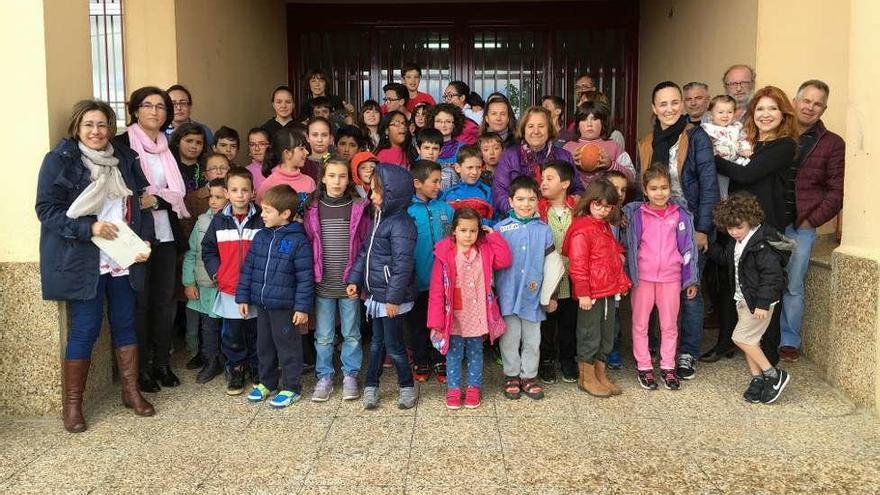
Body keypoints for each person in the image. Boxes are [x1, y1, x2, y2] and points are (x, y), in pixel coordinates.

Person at [36, 99, 155, 432]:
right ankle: (72, 406)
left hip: (122, 256)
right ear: (77, 127)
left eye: (102, 125)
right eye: (89, 125)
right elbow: (46, 210)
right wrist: (88, 228)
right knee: (85, 328)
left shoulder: (124, 159)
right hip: (83, 259)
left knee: (125, 322)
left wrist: (143, 242)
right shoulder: (59, 161)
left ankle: (131, 392)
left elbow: (139, 204)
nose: (96, 131)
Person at [637, 81, 718, 380]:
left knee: (689, 291)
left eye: (674, 103)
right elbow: (640, 186)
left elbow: (709, 185)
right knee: (659, 292)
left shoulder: (697, 137)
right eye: (663, 104)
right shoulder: (647, 143)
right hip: (656, 227)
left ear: (682, 106)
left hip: (689, 225)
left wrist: (703, 228)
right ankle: (660, 349)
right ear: (654, 108)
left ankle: (687, 352)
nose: (669, 109)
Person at [714, 86, 800, 366]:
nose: (765, 114)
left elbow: (746, 173)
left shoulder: (784, 145)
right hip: (740, 226)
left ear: (783, 114)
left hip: (765, 229)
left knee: (765, 293)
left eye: (772, 109)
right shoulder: (748, 142)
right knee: (738, 288)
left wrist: (714, 158)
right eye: (760, 109)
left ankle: (769, 362)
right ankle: (733, 345)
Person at [113, 86, 190, 393]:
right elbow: (124, 190)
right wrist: (157, 199)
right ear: (134, 110)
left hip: (166, 233)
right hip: (135, 235)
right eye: (148, 105)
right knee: (139, 303)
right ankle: (141, 369)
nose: (155, 111)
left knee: (164, 302)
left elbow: (174, 194)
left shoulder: (165, 146)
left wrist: (157, 200)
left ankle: (162, 363)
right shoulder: (121, 145)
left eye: (161, 106)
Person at [778, 79, 845, 362]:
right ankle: (759, 336)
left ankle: (788, 340)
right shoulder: (777, 133)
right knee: (761, 280)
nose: (810, 107)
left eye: (817, 104)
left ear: (824, 108)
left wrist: (811, 221)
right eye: (806, 100)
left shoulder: (832, 143)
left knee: (793, 284)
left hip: (800, 226)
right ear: (795, 101)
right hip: (770, 220)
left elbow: (837, 191)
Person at [708, 192, 793, 403]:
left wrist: (763, 303)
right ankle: (757, 380)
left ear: (751, 221)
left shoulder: (761, 244)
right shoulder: (737, 242)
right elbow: (728, 259)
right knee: (751, 341)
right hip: (744, 298)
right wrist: (708, 248)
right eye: (730, 228)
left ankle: (773, 375)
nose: (734, 232)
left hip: (758, 302)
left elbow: (772, 276)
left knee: (740, 338)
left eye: (739, 227)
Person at [346, 164, 419, 410]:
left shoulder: (401, 223)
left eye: (377, 190)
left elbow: (403, 264)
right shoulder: (378, 218)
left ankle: (407, 385)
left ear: (393, 193)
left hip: (389, 298)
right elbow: (365, 253)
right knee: (377, 343)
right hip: (376, 295)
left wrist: (393, 299)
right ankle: (371, 386)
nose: (371, 195)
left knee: (395, 346)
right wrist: (355, 279)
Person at [622, 164, 699, 391]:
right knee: (640, 323)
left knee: (669, 325)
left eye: (664, 187)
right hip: (643, 278)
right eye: (654, 188)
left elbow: (688, 249)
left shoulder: (680, 215)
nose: (659, 193)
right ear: (645, 190)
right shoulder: (636, 215)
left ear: (670, 188)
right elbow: (629, 247)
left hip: (671, 278)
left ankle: (668, 366)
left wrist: (690, 279)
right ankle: (644, 366)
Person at [237, 185, 314, 408]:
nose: (262, 215)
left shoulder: (298, 240)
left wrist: (302, 308)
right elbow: (248, 268)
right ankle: (267, 382)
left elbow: (305, 277)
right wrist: (243, 297)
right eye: (262, 210)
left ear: (285, 214)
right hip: (262, 304)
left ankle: (292, 387)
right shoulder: (261, 237)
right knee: (264, 345)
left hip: (285, 306)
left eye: (267, 211)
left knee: (288, 347)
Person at [428, 208, 512, 409]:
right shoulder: (445, 253)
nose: (468, 235)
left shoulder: (483, 250)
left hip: (478, 314)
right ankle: (454, 389)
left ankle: (474, 388)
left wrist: (493, 236)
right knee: (454, 354)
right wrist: (436, 320)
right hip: (453, 316)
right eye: (463, 230)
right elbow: (437, 289)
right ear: (454, 231)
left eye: (473, 231)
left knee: (475, 352)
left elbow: (504, 260)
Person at [303, 157, 371, 402]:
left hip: (349, 283)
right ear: (323, 178)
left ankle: (350, 374)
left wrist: (358, 277)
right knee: (323, 334)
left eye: (342, 176)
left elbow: (364, 245)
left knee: (352, 333)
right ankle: (325, 376)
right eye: (331, 176)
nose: (337, 181)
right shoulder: (312, 208)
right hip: (323, 282)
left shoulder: (359, 207)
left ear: (348, 179)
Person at [562, 179, 631, 397]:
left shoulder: (602, 226)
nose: (603, 210)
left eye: (608, 207)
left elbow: (610, 253)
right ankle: (587, 377)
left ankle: (600, 374)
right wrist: (582, 292)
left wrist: (621, 272)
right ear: (589, 202)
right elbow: (578, 264)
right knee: (589, 333)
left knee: (606, 333)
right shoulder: (582, 229)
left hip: (607, 289)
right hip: (591, 292)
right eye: (598, 205)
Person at [202, 167, 264, 395]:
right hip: (229, 289)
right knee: (232, 334)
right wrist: (216, 272)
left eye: (245, 190)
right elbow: (207, 249)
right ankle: (236, 368)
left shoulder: (261, 220)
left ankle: (258, 368)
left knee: (256, 332)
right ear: (226, 193)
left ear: (253, 192)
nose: (240, 195)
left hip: (256, 289)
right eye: (235, 190)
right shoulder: (219, 221)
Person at [495, 176, 555, 401]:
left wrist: (552, 294)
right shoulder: (500, 229)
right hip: (508, 294)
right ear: (510, 201)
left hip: (533, 295)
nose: (526, 204)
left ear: (538, 201)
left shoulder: (544, 230)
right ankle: (511, 375)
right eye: (520, 199)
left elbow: (552, 265)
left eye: (531, 199)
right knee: (510, 338)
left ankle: (529, 376)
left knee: (532, 339)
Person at [408, 160, 455, 383]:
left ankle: (440, 358)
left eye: (440, 181)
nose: (439, 186)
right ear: (417, 183)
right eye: (434, 181)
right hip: (417, 279)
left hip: (442, 281)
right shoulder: (407, 211)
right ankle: (421, 358)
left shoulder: (446, 209)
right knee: (417, 322)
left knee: (441, 321)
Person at [492, 106, 583, 216]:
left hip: (558, 218)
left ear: (549, 129)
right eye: (530, 126)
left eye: (541, 126)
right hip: (520, 219)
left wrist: (570, 205)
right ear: (523, 129)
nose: (536, 131)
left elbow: (578, 189)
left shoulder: (564, 156)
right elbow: (499, 193)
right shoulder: (509, 156)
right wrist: (522, 214)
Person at [537, 160, 579, 384]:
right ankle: (546, 360)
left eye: (549, 178)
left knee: (569, 322)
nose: (543, 182)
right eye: (542, 178)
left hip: (572, 277)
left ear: (565, 184)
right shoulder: (538, 209)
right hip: (547, 277)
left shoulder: (578, 210)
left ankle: (567, 359)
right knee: (547, 322)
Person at [182, 178, 226, 383]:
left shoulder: (234, 220)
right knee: (208, 327)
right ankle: (211, 361)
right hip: (206, 284)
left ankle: (232, 362)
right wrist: (188, 282)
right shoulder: (201, 221)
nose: (213, 202)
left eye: (219, 197)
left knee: (229, 327)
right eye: (211, 197)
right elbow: (192, 253)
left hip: (228, 286)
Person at [563, 100, 636, 188]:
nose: (589, 124)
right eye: (584, 119)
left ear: (603, 123)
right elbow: (557, 179)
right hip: (576, 199)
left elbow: (632, 178)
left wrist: (611, 165)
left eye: (594, 119)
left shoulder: (613, 146)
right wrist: (570, 163)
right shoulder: (568, 147)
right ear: (578, 125)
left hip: (607, 199)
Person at [701, 95, 753, 199]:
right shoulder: (707, 129)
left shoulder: (736, 127)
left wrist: (745, 148)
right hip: (717, 165)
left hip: (735, 162)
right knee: (719, 190)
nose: (725, 115)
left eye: (729, 112)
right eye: (720, 112)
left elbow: (743, 139)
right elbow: (705, 145)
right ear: (710, 114)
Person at [257, 128, 316, 203]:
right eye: (301, 149)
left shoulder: (309, 182)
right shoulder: (269, 184)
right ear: (287, 153)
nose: (307, 152)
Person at [440, 145, 495, 224]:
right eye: (470, 167)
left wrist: (480, 224)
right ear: (457, 168)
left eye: (478, 167)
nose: (475, 172)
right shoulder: (449, 193)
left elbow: (495, 219)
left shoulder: (487, 191)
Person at [183, 153, 230, 241]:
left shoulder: (238, 196)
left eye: (223, 168)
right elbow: (187, 231)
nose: (219, 172)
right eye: (213, 169)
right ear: (205, 175)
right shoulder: (194, 198)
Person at [426, 103, 467, 189]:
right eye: (438, 121)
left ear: (454, 124)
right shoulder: (425, 147)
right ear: (432, 123)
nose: (443, 125)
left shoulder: (464, 149)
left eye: (448, 121)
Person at [169, 122, 208, 193]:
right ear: (178, 142)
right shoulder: (169, 166)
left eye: (198, 143)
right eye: (189, 141)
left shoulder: (207, 168)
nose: (194, 146)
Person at [245, 128, 272, 193]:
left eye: (262, 144)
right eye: (252, 145)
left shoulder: (279, 169)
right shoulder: (245, 172)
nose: (257, 148)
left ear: (270, 146)